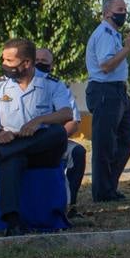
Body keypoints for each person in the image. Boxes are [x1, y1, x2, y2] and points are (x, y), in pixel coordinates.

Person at [0, 39, 74, 235]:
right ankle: (13, 223)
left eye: (9, 60)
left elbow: (66, 114)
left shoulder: (51, 84)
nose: (4, 64)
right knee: (10, 157)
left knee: (58, 132)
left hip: (43, 150)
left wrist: (39, 121)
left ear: (26, 63)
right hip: (9, 144)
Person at [84, 0, 130, 201]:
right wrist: (128, 48)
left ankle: (109, 184)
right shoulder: (105, 33)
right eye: (119, 9)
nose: (123, 12)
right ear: (107, 12)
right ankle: (102, 191)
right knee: (104, 144)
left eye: (125, 8)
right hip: (105, 91)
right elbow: (105, 66)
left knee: (129, 136)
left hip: (118, 92)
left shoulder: (113, 33)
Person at [34, 47, 87, 220]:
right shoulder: (13, 85)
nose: (39, 64)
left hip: (54, 141)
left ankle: (69, 205)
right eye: (36, 60)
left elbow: (73, 121)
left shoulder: (58, 87)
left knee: (78, 152)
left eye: (44, 61)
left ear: (52, 65)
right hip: (24, 141)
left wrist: (55, 139)